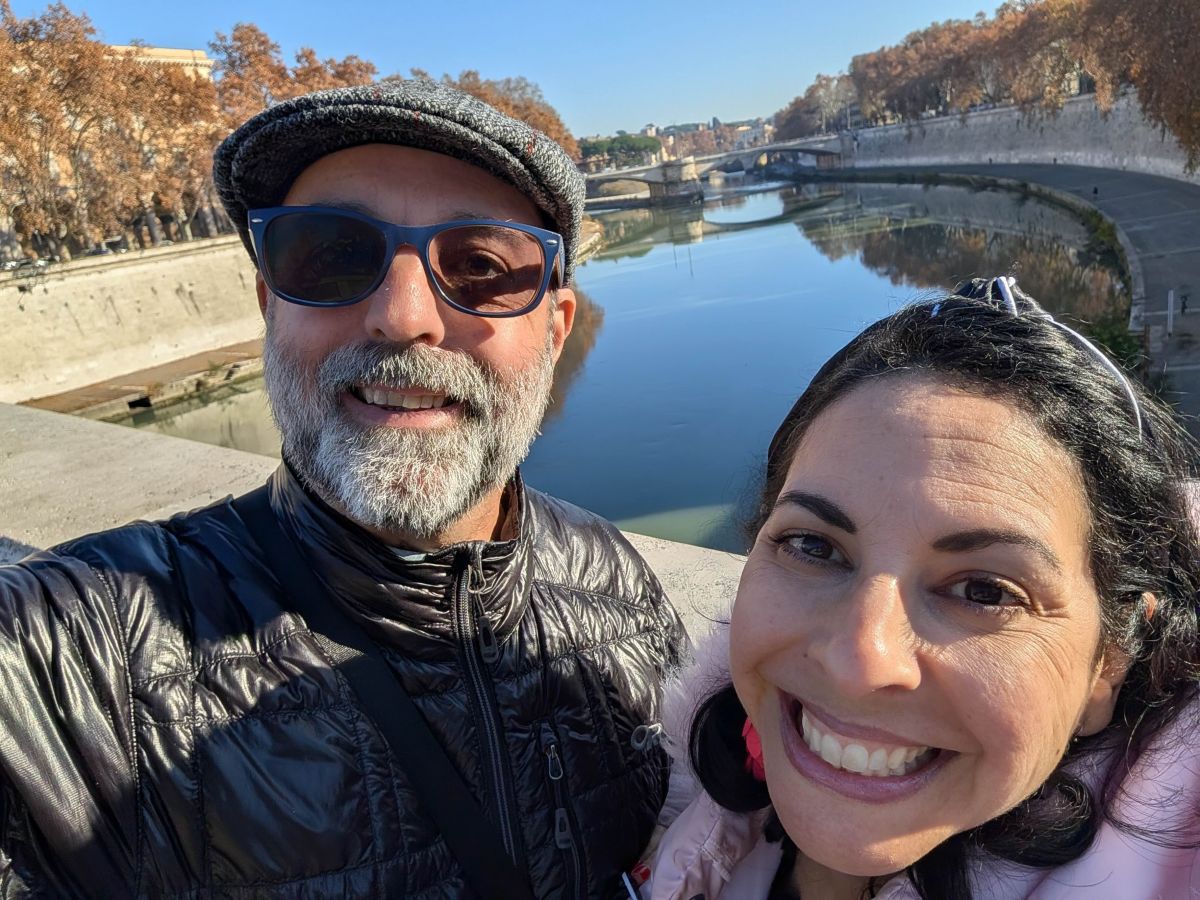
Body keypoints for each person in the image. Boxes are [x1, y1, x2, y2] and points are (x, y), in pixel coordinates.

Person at [0, 80, 686, 898]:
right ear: (270, 306)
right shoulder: (79, 653)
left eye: (480, 267)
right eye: (331, 257)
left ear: (555, 329)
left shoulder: (615, 577)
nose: (403, 316)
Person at [638, 279, 1200, 899]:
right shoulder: (682, 813)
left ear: (1111, 659)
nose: (859, 663)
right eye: (813, 547)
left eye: (984, 591)